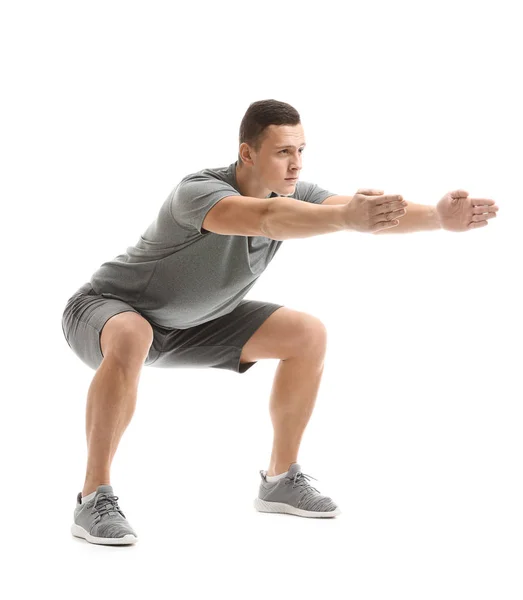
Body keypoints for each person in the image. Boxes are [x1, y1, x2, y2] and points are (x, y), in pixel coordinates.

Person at [61, 99, 499, 545]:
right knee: (135, 332)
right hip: (107, 309)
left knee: (306, 334)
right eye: (283, 152)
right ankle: (93, 498)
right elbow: (267, 220)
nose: (295, 164)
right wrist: (346, 219)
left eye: (301, 151)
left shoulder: (296, 195)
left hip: (193, 324)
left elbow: (364, 211)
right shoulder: (198, 192)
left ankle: (279, 480)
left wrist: (438, 219)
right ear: (247, 153)